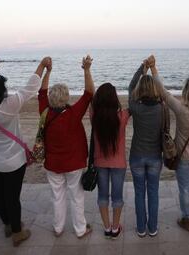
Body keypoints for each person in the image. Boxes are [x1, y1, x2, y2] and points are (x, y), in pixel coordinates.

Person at [0, 51, 51, 246]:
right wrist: (42, 64)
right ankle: (17, 232)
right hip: (14, 161)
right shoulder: (10, 104)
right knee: (12, 197)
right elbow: (31, 86)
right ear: (1, 93)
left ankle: (7, 223)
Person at [148, 55, 189, 231]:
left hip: (183, 154)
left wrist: (154, 68)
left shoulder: (181, 109)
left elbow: (162, 91)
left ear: (186, 92)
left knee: (184, 188)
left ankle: (186, 219)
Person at [38, 55, 94, 239]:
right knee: (76, 197)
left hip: (53, 164)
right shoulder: (73, 113)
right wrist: (86, 70)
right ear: (67, 97)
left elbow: (42, 92)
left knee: (57, 196)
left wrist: (47, 71)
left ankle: (58, 227)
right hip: (74, 163)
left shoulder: (44, 112)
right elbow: (89, 93)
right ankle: (80, 229)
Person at [128, 58, 164, 237]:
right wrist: (152, 68)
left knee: (139, 193)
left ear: (140, 90)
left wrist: (143, 67)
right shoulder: (161, 107)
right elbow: (162, 89)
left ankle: (141, 228)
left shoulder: (135, 107)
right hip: (155, 156)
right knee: (153, 193)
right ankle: (153, 228)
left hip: (137, 156)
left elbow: (131, 86)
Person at [91, 83, 130, 239]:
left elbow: (90, 95)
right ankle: (115, 228)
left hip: (100, 163)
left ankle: (107, 228)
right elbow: (133, 99)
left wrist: (87, 70)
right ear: (115, 99)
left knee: (102, 196)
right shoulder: (123, 117)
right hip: (118, 164)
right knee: (117, 197)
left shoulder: (94, 115)